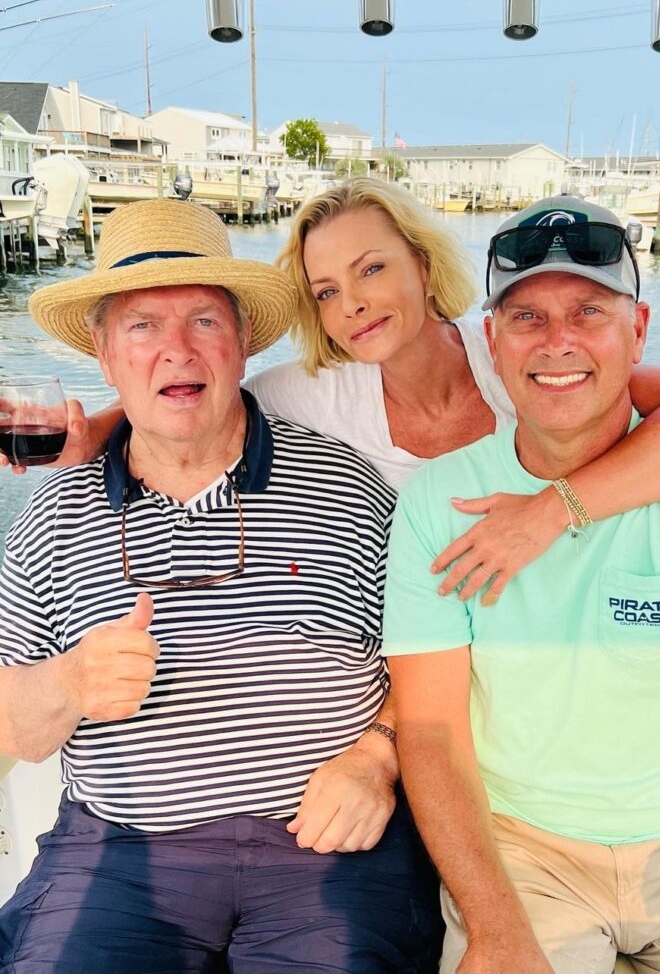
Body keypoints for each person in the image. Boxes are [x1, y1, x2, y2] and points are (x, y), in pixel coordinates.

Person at [0, 199, 443, 974]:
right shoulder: (56, 511)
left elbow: (435, 659)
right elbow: (13, 732)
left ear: (241, 347)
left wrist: (377, 754)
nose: (176, 350)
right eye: (141, 327)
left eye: (204, 321)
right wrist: (69, 682)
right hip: (122, 856)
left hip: (325, 848)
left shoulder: (347, 484)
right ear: (104, 359)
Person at [382, 195, 660, 974]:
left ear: (639, 332)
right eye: (526, 318)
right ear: (492, 339)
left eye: (588, 310)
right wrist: (494, 923)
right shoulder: (436, 503)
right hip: (525, 854)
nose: (558, 342)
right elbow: (432, 730)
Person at [3, 180, 660, 605]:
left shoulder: (520, 358)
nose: (353, 304)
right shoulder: (314, 390)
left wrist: (549, 513)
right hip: (433, 638)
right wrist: (93, 429)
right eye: (326, 291)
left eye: (371, 271)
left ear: (423, 266)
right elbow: (195, 398)